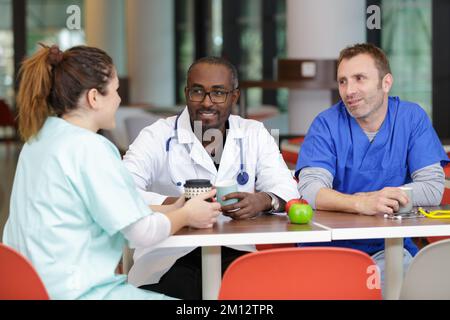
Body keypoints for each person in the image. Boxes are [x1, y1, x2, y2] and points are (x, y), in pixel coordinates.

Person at [2, 44, 221, 300]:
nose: (118, 99)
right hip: (79, 293)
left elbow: (111, 209)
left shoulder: (38, 140)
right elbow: (143, 232)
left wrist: (176, 208)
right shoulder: (91, 148)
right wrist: (186, 215)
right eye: (115, 91)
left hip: (27, 289)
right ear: (94, 98)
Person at [123, 56, 299, 299]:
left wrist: (263, 200)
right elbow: (122, 190)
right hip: (167, 256)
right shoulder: (157, 135)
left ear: (234, 97)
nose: (207, 102)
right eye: (198, 92)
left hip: (235, 251)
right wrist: (178, 206)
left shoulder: (253, 133)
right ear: (186, 93)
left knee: (259, 291)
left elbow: (287, 187)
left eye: (218, 93)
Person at [296, 43, 450, 285]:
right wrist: (362, 203)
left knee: (425, 286)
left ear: (386, 83)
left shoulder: (411, 118)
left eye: (359, 78)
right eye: (343, 81)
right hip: (328, 245)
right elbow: (310, 190)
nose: (349, 90)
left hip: (389, 245)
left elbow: (432, 188)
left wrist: (380, 198)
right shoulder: (326, 124)